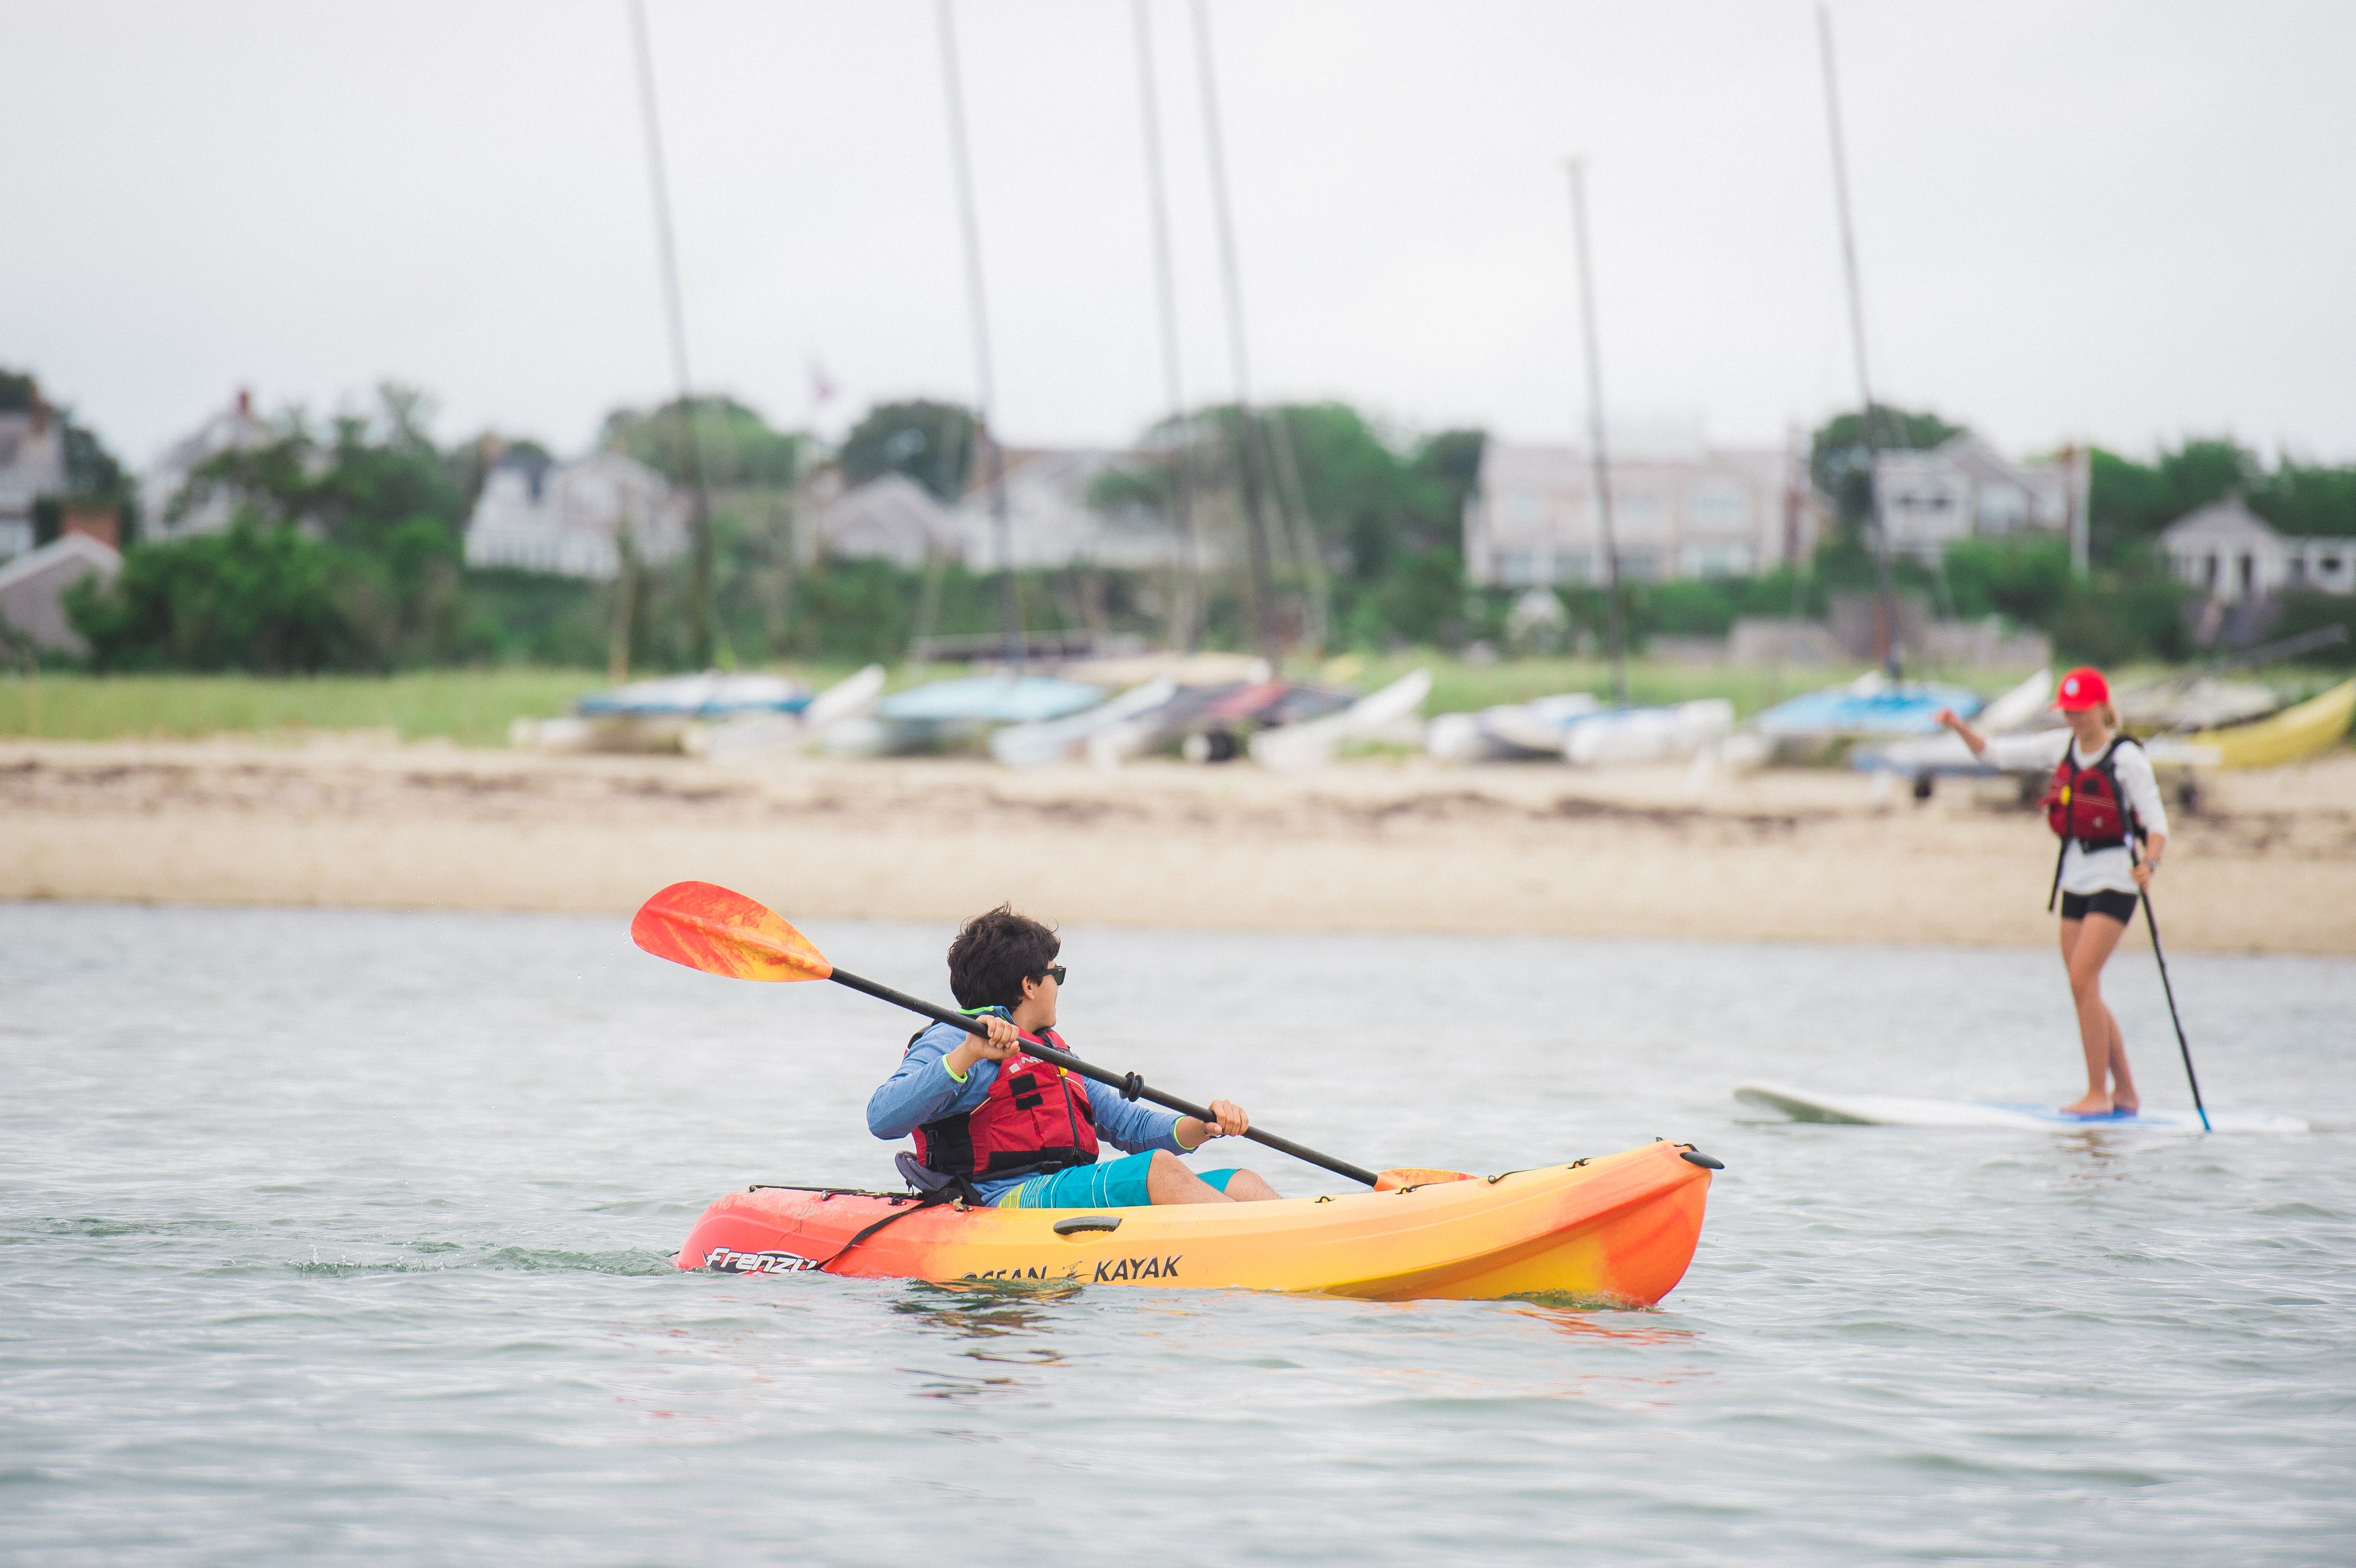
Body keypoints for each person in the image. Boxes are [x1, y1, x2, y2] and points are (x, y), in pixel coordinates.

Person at [867, 905, 1280, 1207]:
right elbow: (883, 1119)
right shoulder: (954, 1039)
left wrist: (1203, 1124)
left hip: (1064, 1186)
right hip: (998, 1197)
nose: (1058, 986)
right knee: (1158, 1169)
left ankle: (1300, 1244)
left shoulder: (1049, 1049)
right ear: (1030, 986)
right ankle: (1269, 1255)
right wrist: (968, 1055)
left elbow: (1129, 1126)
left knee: (1241, 1182)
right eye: (1055, 975)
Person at [1936, 666, 2169, 1117]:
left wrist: (2151, 863)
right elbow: (1995, 755)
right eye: (2067, 710)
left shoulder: (2126, 759)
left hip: (2117, 878)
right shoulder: (2061, 747)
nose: (2073, 719)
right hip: (2075, 876)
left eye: (2080, 710)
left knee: (2083, 978)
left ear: (2102, 708)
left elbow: (2157, 825)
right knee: (2085, 988)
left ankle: (2097, 1095)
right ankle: (2125, 1093)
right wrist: (1959, 727)